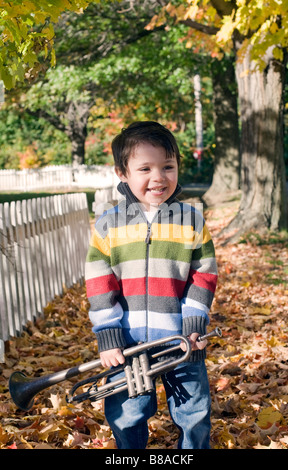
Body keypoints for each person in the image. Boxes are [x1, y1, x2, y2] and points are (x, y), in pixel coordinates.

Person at [85, 121, 218, 449]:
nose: (159, 177)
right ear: (122, 173)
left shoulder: (191, 220)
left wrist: (194, 322)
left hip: (182, 339)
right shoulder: (109, 225)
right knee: (127, 414)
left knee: (194, 413)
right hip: (128, 344)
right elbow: (99, 283)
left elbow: (204, 274)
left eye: (167, 166)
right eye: (145, 168)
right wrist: (108, 335)